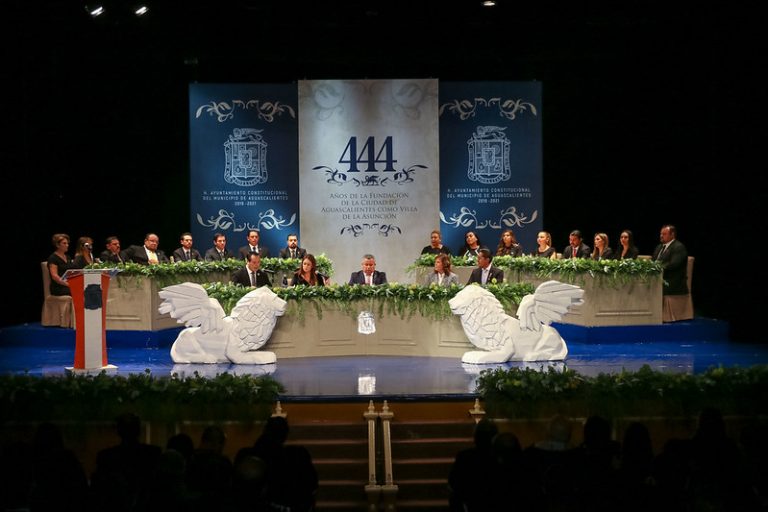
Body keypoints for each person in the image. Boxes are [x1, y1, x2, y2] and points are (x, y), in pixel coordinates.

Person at [652, 224, 688, 296]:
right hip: (659, 278)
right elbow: (653, 261)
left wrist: (658, 267)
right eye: (661, 234)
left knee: (649, 286)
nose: (661, 236)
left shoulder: (678, 247)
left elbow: (673, 265)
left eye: (664, 234)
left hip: (672, 282)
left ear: (672, 235)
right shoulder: (659, 247)